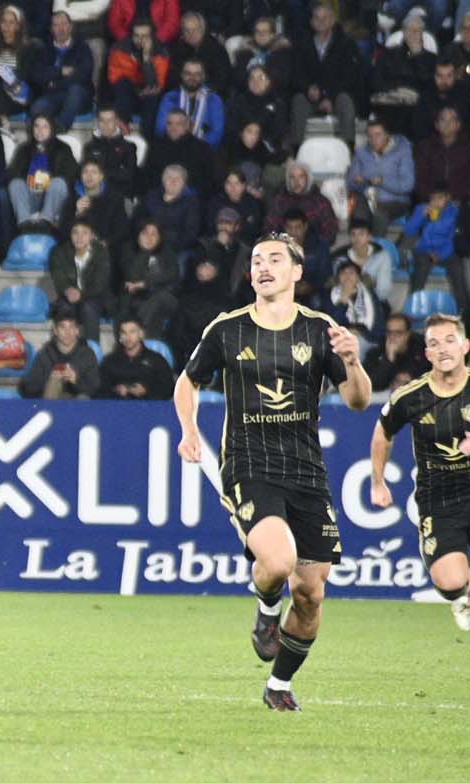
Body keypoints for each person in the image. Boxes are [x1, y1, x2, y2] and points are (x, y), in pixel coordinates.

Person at [174, 231, 372, 711]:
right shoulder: (227, 329)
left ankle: (278, 686)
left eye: (275, 260)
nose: (263, 267)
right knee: (279, 564)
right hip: (248, 463)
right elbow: (187, 380)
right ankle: (266, 609)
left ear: (296, 272)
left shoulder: (321, 329)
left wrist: (352, 360)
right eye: (257, 260)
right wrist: (189, 429)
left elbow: (358, 401)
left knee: (310, 595)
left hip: (306, 471)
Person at [371, 313, 470, 629]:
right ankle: (462, 594)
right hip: (438, 501)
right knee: (450, 582)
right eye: (434, 344)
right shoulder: (411, 397)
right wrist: (377, 482)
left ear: (465, 346)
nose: (443, 349)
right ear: (426, 353)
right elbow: (383, 431)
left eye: (450, 341)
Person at [289, 3, 360, 149]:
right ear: (311, 21)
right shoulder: (302, 43)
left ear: (333, 20)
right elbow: (295, 74)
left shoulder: (346, 44)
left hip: (335, 95)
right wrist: (307, 88)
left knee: (346, 100)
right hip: (309, 97)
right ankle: (297, 150)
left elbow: (351, 77)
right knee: (298, 100)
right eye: (317, 17)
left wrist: (329, 96)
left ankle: (347, 149)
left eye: (325, 17)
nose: (321, 21)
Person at [8, 113, 77, 233]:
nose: (40, 130)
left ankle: (45, 223)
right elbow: (13, 174)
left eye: (45, 126)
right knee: (15, 184)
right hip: (30, 196)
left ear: (52, 129)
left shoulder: (63, 149)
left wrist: (47, 183)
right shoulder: (24, 149)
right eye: (36, 126)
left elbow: (69, 176)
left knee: (59, 182)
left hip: (53, 197)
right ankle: (24, 225)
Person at [30, 10, 93, 133]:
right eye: (56, 25)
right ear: (51, 29)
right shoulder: (43, 49)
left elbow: (82, 76)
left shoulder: (82, 47)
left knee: (75, 90)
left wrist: (55, 83)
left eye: (64, 24)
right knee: (37, 108)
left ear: (70, 27)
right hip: (53, 96)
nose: (60, 29)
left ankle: (60, 128)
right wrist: (60, 71)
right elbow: (37, 76)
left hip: (78, 97)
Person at [346, 120, 414, 236]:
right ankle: (360, 248)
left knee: (379, 214)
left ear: (387, 134)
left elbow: (407, 185)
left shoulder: (402, 151)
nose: (374, 139)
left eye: (378, 135)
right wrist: (358, 182)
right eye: (370, 136)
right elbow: (351, 183)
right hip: (368, 198)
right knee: (358, 212)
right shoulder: (362, 152)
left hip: (395, 201)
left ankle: (377, 248)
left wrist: (383, 181)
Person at [49, 219, 111, 344]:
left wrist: (81, 294)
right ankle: (63, 350)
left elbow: (100, 283)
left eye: (84, 233)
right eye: (75, 233)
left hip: (93, 297)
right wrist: (67, 290)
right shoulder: (59, 252)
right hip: (69, 297)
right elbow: (58, 277)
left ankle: (92, 351)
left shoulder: (101, 252)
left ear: (92, 236)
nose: (79, 237)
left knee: (88, 308)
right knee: (64, 308)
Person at [19, 305, 100, 399]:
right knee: (54, 382)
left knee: (82, 397)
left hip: (78, 406)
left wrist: (75, 380)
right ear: (55, 330)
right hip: (52, 403)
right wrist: (50, 378)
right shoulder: (45, 354)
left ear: (77, 330)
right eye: (63, 327)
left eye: (72, 327)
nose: (68, 332)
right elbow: (27, 388)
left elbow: (95, 389)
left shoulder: (87, 355)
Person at [99, 315, 175, 399]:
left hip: (150, 408)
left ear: (141, 334)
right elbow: (100, 390)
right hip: (118, 407)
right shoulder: (109, 361)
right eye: (124, 332)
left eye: (132, 332)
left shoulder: (156, 360)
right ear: (119, 336)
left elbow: (169, 388)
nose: (128, 337)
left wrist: (146, 391)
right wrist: (116, 391)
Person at [400, 187, 459, 294]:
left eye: (440, 198)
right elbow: (408, 231)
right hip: (424, 250)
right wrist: (421, 215)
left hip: (444, 251)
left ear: (447, 198)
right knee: (421, 266)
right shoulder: (421, 208)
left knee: (458, 269)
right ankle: (414, 303)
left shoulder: (453, 212)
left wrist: (439, 254)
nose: (436, 201)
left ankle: (463, 308)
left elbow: (450, 239)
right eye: (433, 198)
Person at [156, 59, 223, 149]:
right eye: (188, 73)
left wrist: (197, 146)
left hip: (203, 151)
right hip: (173, 148)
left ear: (204, 77)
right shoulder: (170, 97)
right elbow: (160, 128)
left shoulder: (213, 99)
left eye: (197, 74)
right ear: (182, 75)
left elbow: (217, 133)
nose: (192, 78)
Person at [365, 312, 428, 391]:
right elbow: (372, 385)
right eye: (389, 332)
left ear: (407, 334)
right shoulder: (376, 352)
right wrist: (389, 359)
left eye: (398, 333)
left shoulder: (423, 348)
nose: (393, 337)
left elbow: (433, 375)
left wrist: (412, 378)